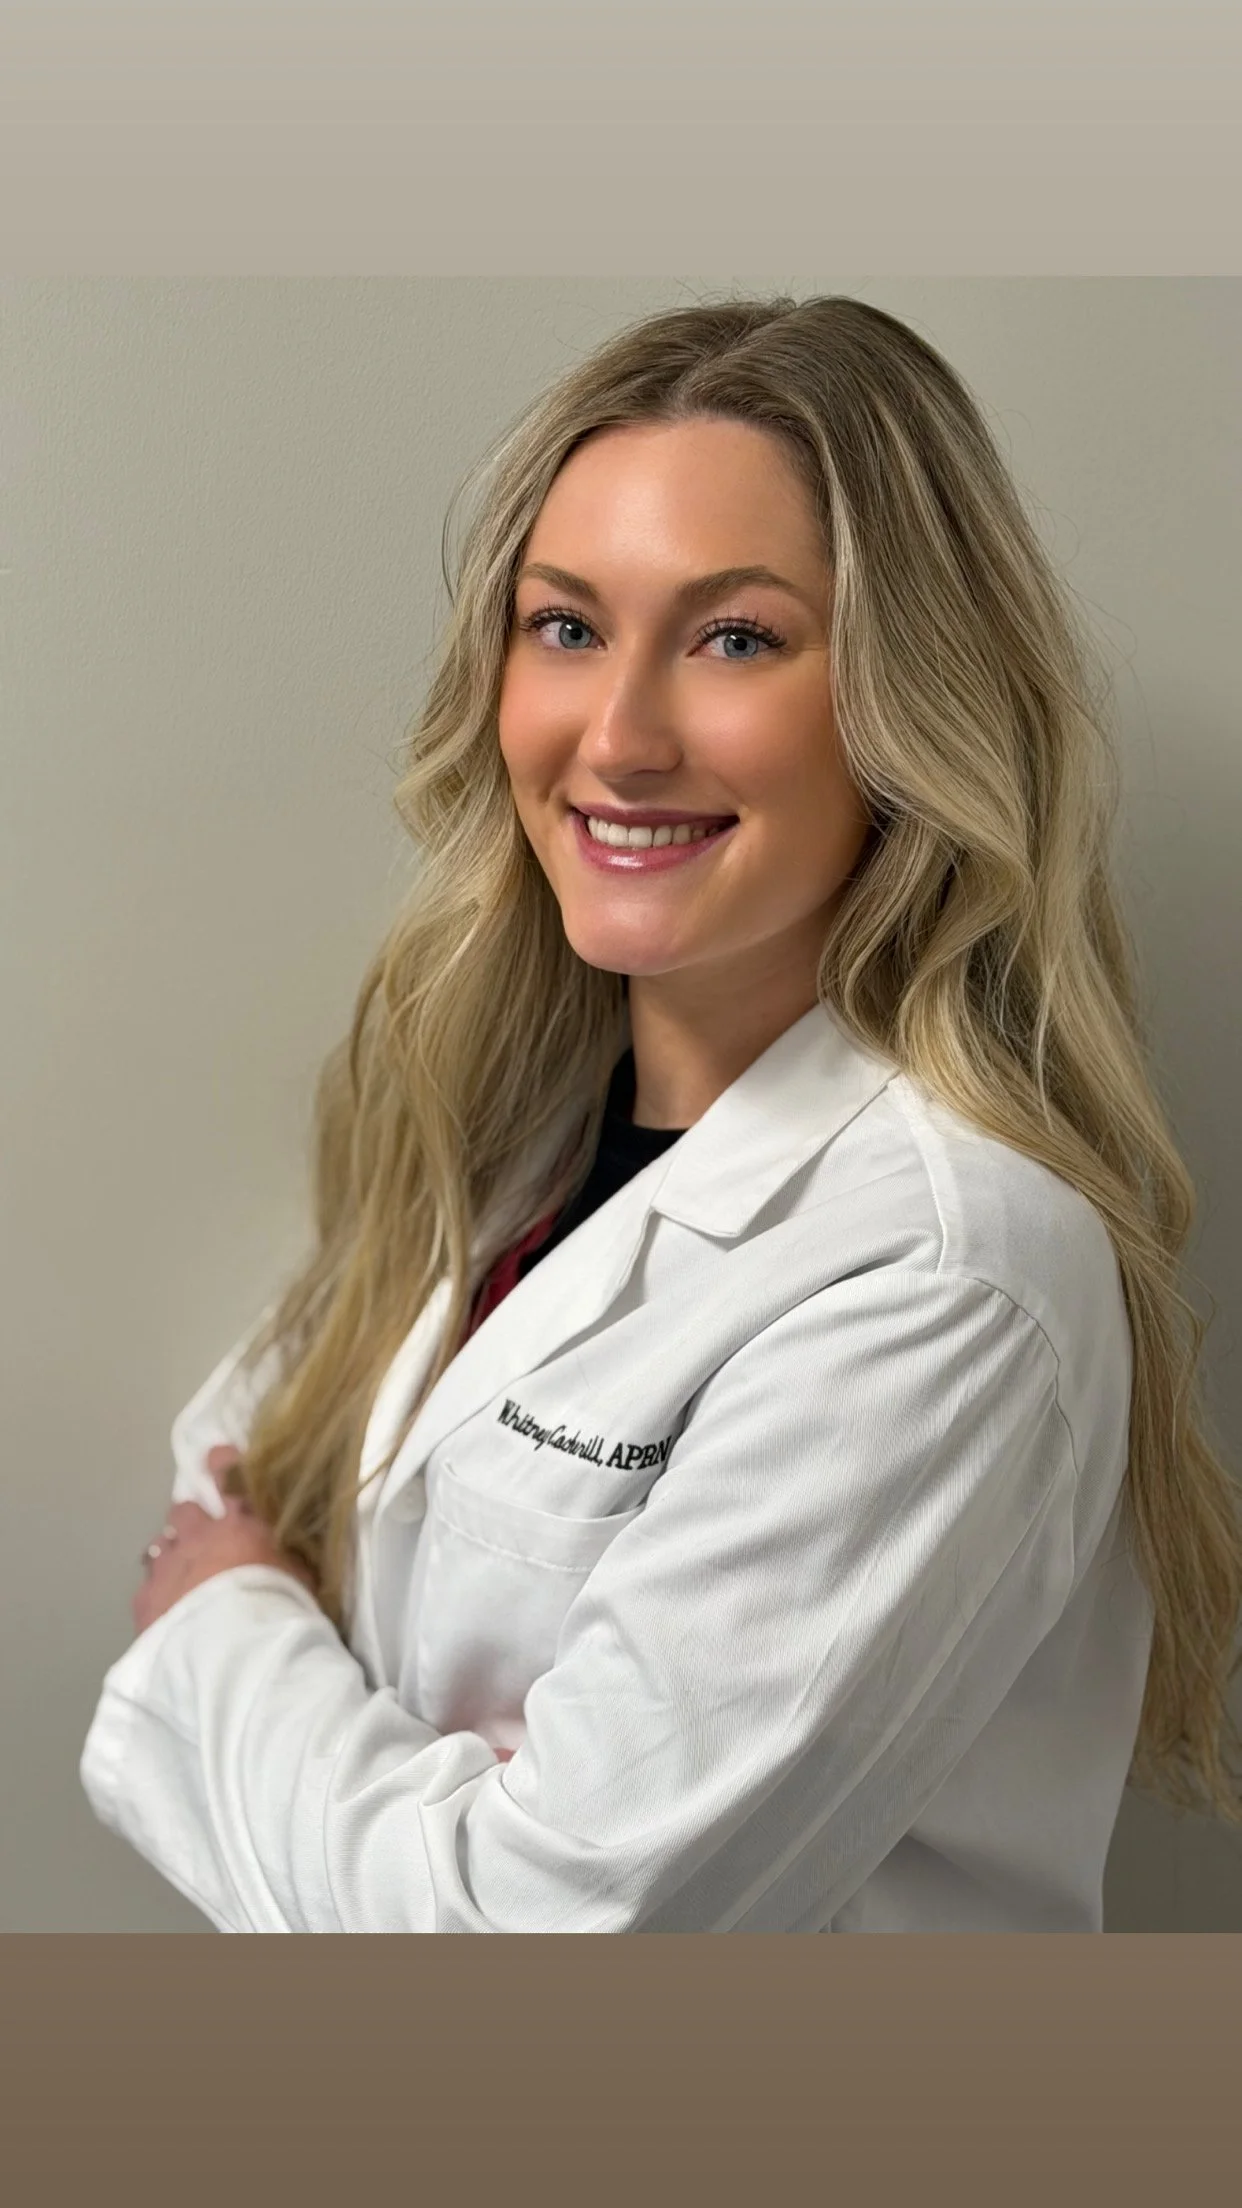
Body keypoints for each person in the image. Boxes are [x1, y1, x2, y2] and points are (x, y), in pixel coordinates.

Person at [80, 294, 1242, 1933]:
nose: (617, 739)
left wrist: (230, 1635)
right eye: (565, 626)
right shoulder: (498, 1137)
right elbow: (240, 1462)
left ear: (905, 704)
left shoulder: (941, 1277)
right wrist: (426, 1788)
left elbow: (539, 1948)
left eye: (735, 639)